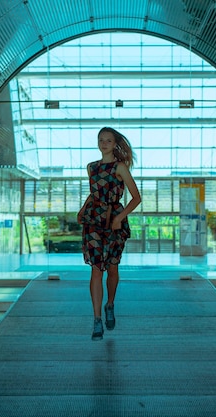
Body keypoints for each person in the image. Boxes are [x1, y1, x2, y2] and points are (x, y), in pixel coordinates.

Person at [77, 127, 141, 341]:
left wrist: (118, 218)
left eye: (108, 140)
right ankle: (96, 320)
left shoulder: (120, 167)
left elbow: (136, 198)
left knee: (112, 267)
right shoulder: (91, 167)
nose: (104, 143)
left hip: (114, 220)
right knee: (96, 269)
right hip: (94, 220)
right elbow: (94, 193)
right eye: (101, 140)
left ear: (115, 144)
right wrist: (82, 209)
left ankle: (110, 304)